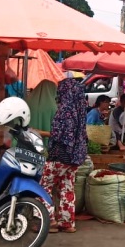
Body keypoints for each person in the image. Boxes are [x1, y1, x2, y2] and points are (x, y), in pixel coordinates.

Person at [41, 78, 88, 233]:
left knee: (44, 185)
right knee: (66, 187)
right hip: (75, 156)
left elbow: (59, 135)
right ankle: (67, 223)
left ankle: (49, 221)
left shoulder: (65, 110)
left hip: (60, 154)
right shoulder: (80, 108)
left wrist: (38, 132)